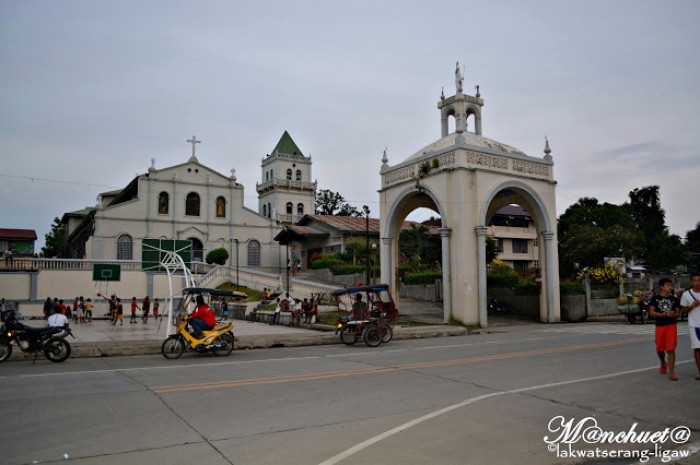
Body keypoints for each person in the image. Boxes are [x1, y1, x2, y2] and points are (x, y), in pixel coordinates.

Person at [648, 278, 681, 381]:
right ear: (662, 286)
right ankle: (663, 362)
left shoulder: (674, 299)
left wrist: (673, 315)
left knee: (671, 349)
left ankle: (671, 372)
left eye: (670, 285)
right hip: (660, 326)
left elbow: (678, 314)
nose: (669, 287)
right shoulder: (655, 298)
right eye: (667, 285)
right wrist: (664, 314)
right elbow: (652, 313)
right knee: (660, 349)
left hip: (671, 326)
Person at [680, 272, 700, 380]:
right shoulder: (686, 295)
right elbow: (683, 311)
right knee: (697, 348)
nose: (697, 283)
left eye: (699, 280)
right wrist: (692, 306)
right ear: (691, 282)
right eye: (695, 280)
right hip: (694, 325)